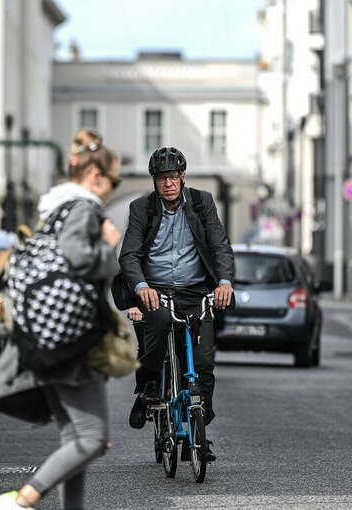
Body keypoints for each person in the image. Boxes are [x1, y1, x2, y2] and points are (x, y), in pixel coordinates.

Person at [0, 143, 122, 510]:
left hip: (45, 334)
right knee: (94, 439)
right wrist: (110, 249)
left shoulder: (55, 208)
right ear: (96, 177)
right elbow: (78, 257)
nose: (114, 187)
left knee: (74, 440)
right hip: (72, 338)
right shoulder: (84, 208)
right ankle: (24, 499)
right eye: (114, 179)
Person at [118, 146, 234, 462]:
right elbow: (129, 255)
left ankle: (199, 434)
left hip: (194, 292)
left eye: (173, 177)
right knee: (155, 325)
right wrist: (141, 289)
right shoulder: (142, 208)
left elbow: (220, 246)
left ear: (182, 177)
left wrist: (224, 282)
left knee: (203, 363)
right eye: (161, 178)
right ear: (155, 182)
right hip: (154, 290)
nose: (168, 183)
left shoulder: (201, 203)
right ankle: (148, 388)